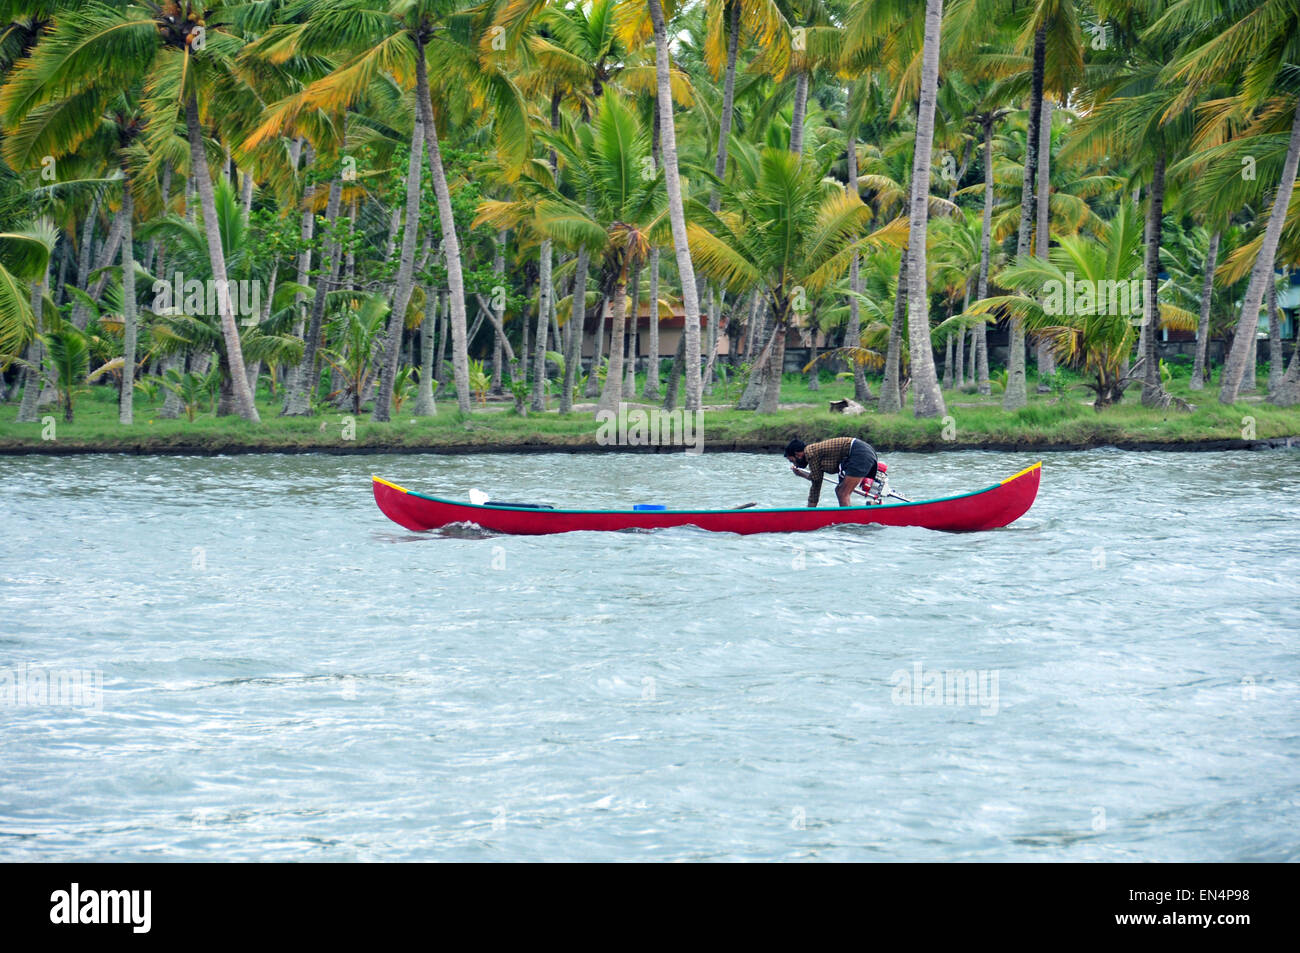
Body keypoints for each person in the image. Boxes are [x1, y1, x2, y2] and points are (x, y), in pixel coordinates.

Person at [784, 436, 878, 508]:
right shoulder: (813, 451)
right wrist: (802, 474)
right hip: (860, 453)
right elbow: (817, 477)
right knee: (839, 490)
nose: (795, 464)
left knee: (843, 493)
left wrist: (810, 511)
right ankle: (868, 507)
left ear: (798, 454)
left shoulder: (810, 453)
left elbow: (816, 483)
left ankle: (848, 521)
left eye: (792, 461)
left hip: (859, 453)